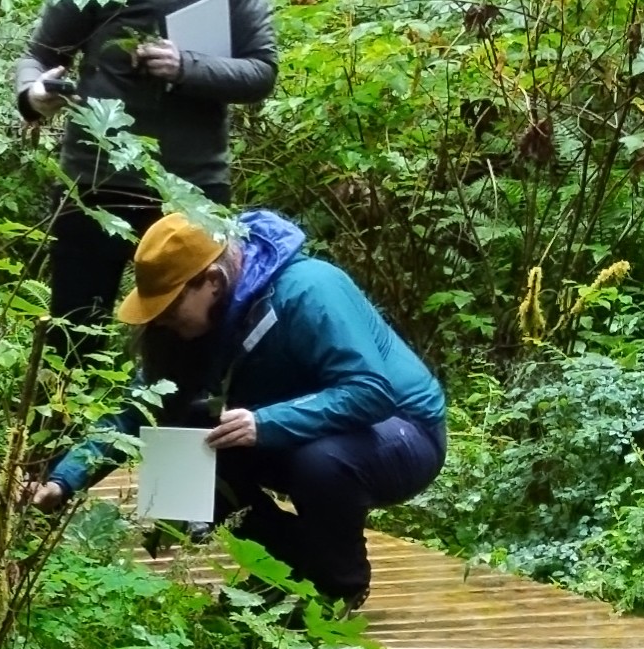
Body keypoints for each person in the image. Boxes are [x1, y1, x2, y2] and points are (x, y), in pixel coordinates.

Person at [28, 208, 447, 610]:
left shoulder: (309, 289)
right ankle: (291, 568)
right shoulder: (194, 327)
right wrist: (64, 481)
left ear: (211, 280)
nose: (161, 320)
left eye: (170, 306)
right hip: (307, 431)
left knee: (319, 462)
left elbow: (370, 391)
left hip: (402, 432)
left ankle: (339, 586)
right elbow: (136, 411)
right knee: (195, 443)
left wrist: (265, 422)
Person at [18, 0, 279, 356]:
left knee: (184, 347)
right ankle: (64, 414)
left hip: (191, 189)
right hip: (94, 181)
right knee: (74, 339)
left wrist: (187, 66)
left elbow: (261, 71)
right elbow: (40, 54)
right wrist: (34, 94)